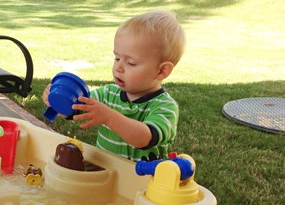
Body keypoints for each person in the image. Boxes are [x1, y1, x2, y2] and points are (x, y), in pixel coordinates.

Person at [43, 10, 186, 162]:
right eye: (117, 58)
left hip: (142, 176)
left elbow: (144, 138)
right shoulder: (108, 93)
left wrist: (109, 117)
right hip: (105, 171)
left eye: (131, 63)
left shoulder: (165, 107)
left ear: (161, 71)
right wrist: (58, 101)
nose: (119, 67)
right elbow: (77, 109)